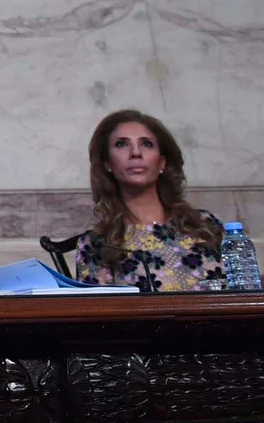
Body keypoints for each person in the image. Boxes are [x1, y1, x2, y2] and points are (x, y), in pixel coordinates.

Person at [72, 109, 223, 292]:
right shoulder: (97, 244)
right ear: (107, 164)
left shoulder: (205, 226)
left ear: (162, 162)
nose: (135, 153)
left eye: (146, 144)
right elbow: (100, 315)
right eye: (121, 144)